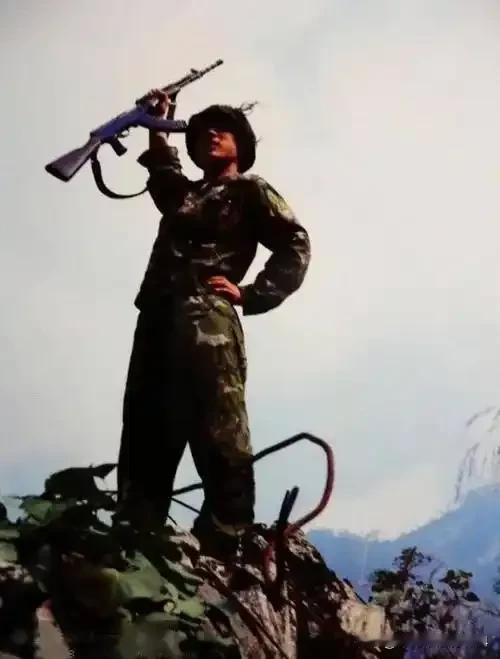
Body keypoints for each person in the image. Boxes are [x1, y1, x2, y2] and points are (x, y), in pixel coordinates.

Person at [115, 90, 311, 553]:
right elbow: (165, 179)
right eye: (201, 132)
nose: (210, 135)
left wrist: (252, 294)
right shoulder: (187, 196)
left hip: (208, 320)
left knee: (220, 429)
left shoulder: (250, 190)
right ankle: (134, 542)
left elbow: (295, 244)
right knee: (146, 431)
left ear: (241, 145)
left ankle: (226, 540)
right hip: (157, 319)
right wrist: (158, 123)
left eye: (222, 130)